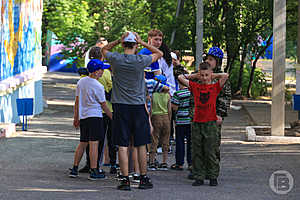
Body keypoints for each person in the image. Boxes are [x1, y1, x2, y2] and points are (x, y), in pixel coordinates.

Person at [101, 31, 163, 190]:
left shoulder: (116, 59)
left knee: (122, 144)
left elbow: (104, 50)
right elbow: (159, 53)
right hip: (138, 107)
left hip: (120, 107)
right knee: (141, 144)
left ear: (123, 44)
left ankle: (125, 180)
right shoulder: (141, 60)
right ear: (135, 45)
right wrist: (142, 42)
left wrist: (117, 40)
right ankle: (143, 178)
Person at [178, 62, 229, 187]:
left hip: (210, 122)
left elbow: (225, 75)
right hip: (197, 122)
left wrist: (212, 75)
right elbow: (180, 77)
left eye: (207, 75)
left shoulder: (215, 87)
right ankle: (198, 176)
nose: (205, 78)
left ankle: (212, 176)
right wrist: (196, 76)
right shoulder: (195, 86)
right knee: (197, 150)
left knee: (210, 150)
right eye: (203, 75)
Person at [69, 59, 112, 180]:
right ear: (95, 72)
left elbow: (77, 101)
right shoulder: (99, 86)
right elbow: (104, 105)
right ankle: (94, 170)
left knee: (83, 143)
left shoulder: (81, 82)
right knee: (94, 144)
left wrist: (76, 117)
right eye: (101, 69)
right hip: (95, 117)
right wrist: (112, 117)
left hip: (84, 116)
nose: (103, 71)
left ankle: (74, 168)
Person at [148, 75, 171, 171]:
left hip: (155, 117)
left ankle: (152, 161)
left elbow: (151, 109)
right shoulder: (168, 95)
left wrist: (149, 119)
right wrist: (169, 120)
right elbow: (169, 110)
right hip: (166, 117)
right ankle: (164, 162)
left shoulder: (153, 95)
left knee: (154, 140)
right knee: (165, 140)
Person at [170, 79, 192, 171]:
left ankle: (179, 163)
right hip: (190, 120)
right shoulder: (192, 92)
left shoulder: (177, 94)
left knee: (180, 142)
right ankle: (191, 163)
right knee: (191, 143)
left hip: (180, 121)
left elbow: (174, 107)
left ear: (179, 83)